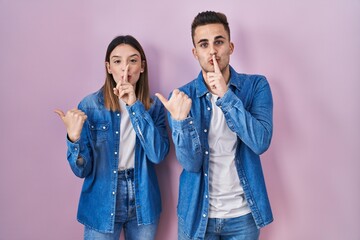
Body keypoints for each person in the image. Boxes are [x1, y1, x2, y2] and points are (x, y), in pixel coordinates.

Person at [156, 11, 273, 240]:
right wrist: (180, 123)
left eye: (218, 42)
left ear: (230, 46)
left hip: (243, 216)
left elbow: (260, 142)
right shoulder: (182, 97)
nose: (212, 51)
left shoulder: (256, 86)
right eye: (203, 44)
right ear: (195, 52)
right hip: (197, 215)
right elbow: (190, 163)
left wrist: (226, 96)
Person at [55, 35, 170, 240]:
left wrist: (135, 106)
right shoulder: (90, 106)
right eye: (117, 61)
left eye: (133, 61)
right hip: (102, 198)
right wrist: (74, 140)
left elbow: (158, 155)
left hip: (143, 198)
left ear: (142, 67)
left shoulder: (154, 107)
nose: (125, 68)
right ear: (109, 67)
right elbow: (82, 169)